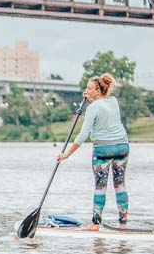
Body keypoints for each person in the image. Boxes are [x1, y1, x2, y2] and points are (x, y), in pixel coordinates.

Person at [55, 73, 129, 230]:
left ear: (98, 90)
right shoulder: (113, 101)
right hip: (122, 146)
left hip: (103, 150)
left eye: (89, 88)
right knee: (120, 185)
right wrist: (90, 99)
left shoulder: (92, 108)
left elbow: (83, 135)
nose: (86, 91)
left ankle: (95, 224)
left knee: (100, 187)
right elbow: (102, 107)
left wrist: (67, 154)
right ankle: (123, 225)